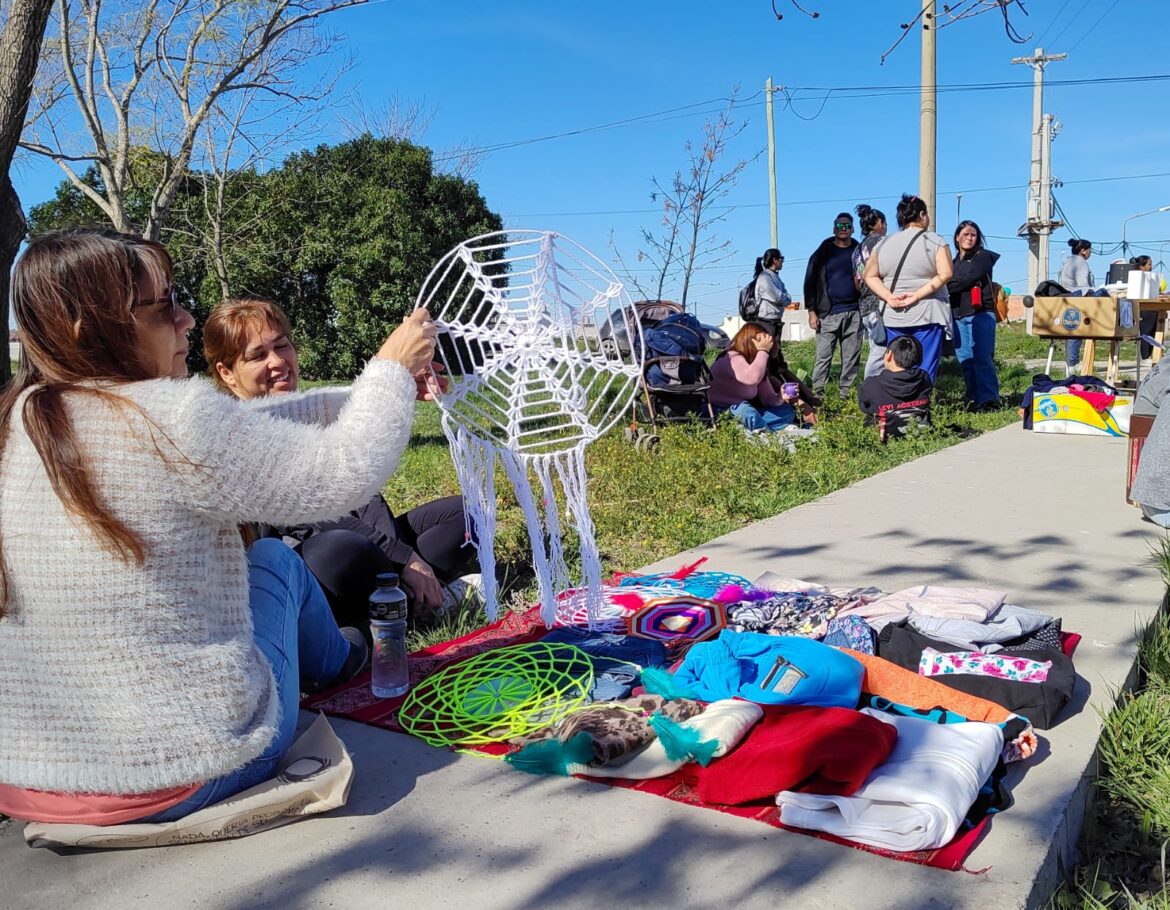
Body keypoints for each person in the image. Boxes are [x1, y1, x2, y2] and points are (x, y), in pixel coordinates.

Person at [0, 228, 437, 825]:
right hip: (186, 773)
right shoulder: (171, 418)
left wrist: (364, 395)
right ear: (91, 326)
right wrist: (389, 370)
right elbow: (345, 472)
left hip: (31, 783)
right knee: (278, 562)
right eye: (162, 307)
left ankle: (342, 655)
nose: (184, 319)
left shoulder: (19, 419)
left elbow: (247, 431)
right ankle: (344, 661)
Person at [204, 298, 478, 629]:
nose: (278, 362)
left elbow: (366, 494)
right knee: (338, 549)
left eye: (282, 346)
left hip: (378, 550)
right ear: (227, 373)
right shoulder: (236, 434)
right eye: (258, 355)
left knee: (470, 513)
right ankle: (416, 602)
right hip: (318, 565)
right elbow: (311, 521)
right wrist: (404, 558)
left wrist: (401, 384)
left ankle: (404, 603)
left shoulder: (316, 411)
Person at [863, 193, 954, 381]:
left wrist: (888, 297)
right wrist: (917, 295)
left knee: (897, 364)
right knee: (925, 365)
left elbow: (869, 276)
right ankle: (921, 404)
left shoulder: (883, 244)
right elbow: (946, 273)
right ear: (922, 215)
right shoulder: (935, 240)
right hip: (928, 312)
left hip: (893, 316)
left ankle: (898, 404)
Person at [709, 323, 812, 435]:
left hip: (742, 409)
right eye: (762, 341)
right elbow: (752, 378)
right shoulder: (732, 357)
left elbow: (768, 398)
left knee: (787, 412)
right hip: (721, 408)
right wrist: (763, 351)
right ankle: (766, 431)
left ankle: (754, 427)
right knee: (748, 412)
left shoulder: (756, 363)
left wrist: (781, 397)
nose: (769, 346)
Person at [804, 212, 862, 399]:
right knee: (823, 356)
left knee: (852, 357)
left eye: (847, 226)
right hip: (827, 313)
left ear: (853, 229)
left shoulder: (859, 251)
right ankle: (818, 395)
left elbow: (866, 275)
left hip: (854, 311)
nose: (843, 229)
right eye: (840, 226)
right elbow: (810, 283)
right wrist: (812, 311)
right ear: (834, 228)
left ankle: (846, 394)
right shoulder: (822, 253)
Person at [947, 220, 1001, 411]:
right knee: (966, 360)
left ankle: (989, 400)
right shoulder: (952, 263)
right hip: (958, 314)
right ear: (957, 237)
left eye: (973, 234)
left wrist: (943, 285)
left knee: (982, 358)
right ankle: (972, 399)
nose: (969, 238)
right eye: (965, 234)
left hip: (981, 314)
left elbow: (967, 279)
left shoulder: (983, 256)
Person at [857, 335, 934, 442]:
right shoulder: (924, 378)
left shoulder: (872, 384)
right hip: (919, 433)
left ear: (889, 355)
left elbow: (863, 405)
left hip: (885, 436)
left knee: (870, 416)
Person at [852, 204, 889, 380]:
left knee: (876, 347)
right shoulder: (883, 243)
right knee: (882, 349)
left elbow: (857, 281)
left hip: (865, 303)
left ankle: (876, 389)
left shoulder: (857, 250)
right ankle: (871, 388)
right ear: (880, 222)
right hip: (881, 302)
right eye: (886, 223)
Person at [1058, 239, 1094, 375]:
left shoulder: (1068, 261)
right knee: (1077, 331)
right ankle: (1073, 362)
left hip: (1068, 298)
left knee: (1073, 329)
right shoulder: (1081, 262)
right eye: (1090, 250)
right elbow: (1083, 284)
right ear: (1083, 251)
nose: (1090, 253)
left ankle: (1071, 362)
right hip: (1078, 297)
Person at [752, 248, 791, 365]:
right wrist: (785, 298)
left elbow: (785, 297)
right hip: (766, 322)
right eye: (781, 259)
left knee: (776, 354)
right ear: (775, 260)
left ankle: (776, 378)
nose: (782, 262)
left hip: (774, 321)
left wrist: (785, 298)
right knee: (768, 355)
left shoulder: (774, 277)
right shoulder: (765, 278)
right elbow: (778, 297)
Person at [1133, 255, 1159, 362]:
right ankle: (1145, 357)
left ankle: (1153, 355)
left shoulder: (1152, 278)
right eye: (1149, 264)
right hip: (1144, 308)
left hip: (1154, 307)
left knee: (1153, 332)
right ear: (1141, 267)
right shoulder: (1137, 279)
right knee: (1146, 333)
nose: (1151, 267)